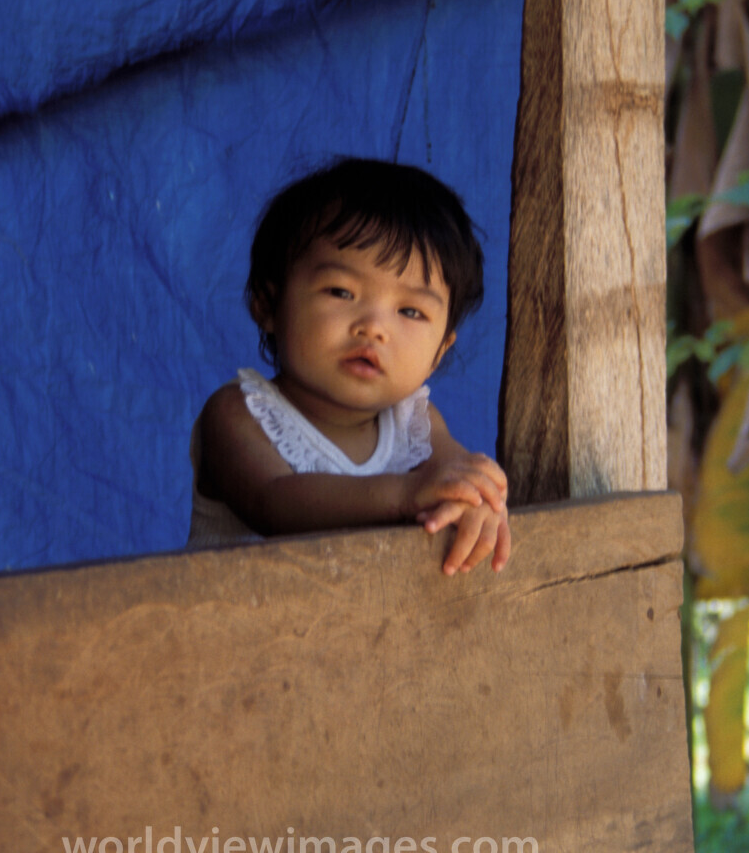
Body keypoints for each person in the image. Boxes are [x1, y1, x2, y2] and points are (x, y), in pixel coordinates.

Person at [188, 158, 510, 574]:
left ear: (440, 353)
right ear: (268, 305)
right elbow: (276, 504)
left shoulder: (416, 423)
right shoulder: (239, 413)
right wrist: (407, 494)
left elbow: (458, 482)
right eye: (341, 291)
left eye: (410, 312)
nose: (374, 328)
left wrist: (478, 504)